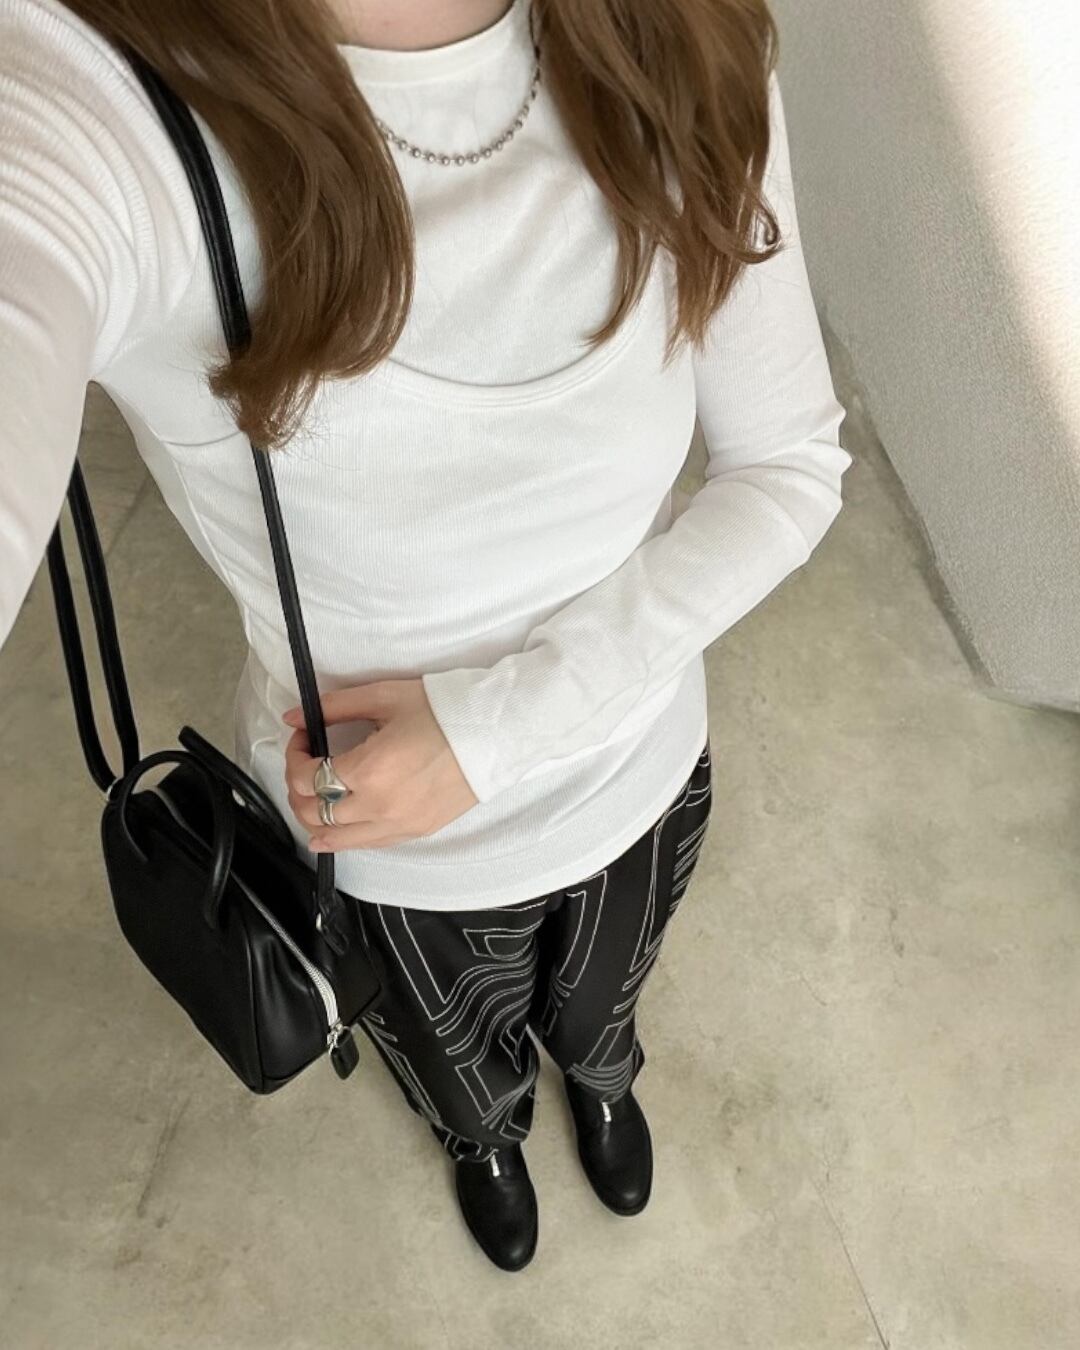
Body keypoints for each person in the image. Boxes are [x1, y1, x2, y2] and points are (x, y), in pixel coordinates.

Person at [0, 0, 853, 1271]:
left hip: (638, 768)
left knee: (607, 1001)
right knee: (452, 1055)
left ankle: (604, 1083)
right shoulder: (96, 93)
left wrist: (496, 729)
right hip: (395, 860)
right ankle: (485, 1139)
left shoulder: (675, 29)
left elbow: (788, 465)